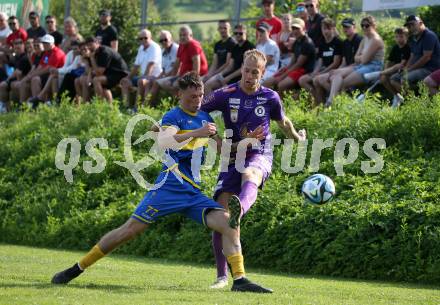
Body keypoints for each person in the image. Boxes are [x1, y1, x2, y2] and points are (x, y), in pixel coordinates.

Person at [51, 71, 273, 294]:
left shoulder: (205, 118)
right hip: (168, 187)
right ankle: (77, 268)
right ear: (179, 95)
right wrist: (197, 132)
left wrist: (246, 142)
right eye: (191, 97)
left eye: (200, 96)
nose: (197, 101)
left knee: (229, 223)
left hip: (192, 193)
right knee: (128, 231)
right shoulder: (173, 116)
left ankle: (240, 279)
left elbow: (222, 150)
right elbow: (166, 142)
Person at [201, 49, 306, 289]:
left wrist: (296, 138)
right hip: (232, 155)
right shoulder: (226, 94)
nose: (249, 76)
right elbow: (200, 111)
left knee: (251, 175)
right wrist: (216, 138)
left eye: (254, 72)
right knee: (220, 214)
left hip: (259, 153)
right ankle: (221, 277)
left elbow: (284, 122)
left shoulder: (270, 97)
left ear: (263, 72)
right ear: (242, 69)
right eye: (246, 70)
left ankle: (242, 209)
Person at [326, 16, 384, 107]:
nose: (364, 27)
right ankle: (330, 101)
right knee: (336, 74)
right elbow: (356, 58)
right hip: (362, 65)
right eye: (362, 25)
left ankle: (341, 106)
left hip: (373, 67)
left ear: (373, 26)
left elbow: (364, 60)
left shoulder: (376, 40)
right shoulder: (365, 39)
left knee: (343, 83)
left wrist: (361, 57)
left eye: (367, 25)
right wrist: (362, 57)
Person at [148, 25, 208, 105]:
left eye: (184, 35)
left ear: (191, 36)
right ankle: (145, 106)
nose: (182, 37)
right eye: (180, 35)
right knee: (157, 83)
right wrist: (171, 78)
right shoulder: (181, 45)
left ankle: (182, 107)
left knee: (176, 85)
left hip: (195, 77)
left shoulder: (193, 45)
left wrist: (185, 80)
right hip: (182, 76)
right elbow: (176, 65)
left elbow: (196, 68)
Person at [389, 15, 440, 107]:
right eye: (408, 26)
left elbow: (426, 57)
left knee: (404, 79)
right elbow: (412, 56)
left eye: (412, 24)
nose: (411, 28)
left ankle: (417, 105)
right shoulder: (414, 38)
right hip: (418, 68)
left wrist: (409, 69)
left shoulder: (429, 35)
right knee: (393, 79)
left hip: (430, 68)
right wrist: (406, 68)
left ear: (420, 23)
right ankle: (414, 101)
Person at [312, 17, 362, 104]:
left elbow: (359, 62)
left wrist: (337, 71)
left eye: (347, 27)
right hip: (346, 69)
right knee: (317, 79)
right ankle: (322, 106)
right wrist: (337, 70)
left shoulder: (359, 40)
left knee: (325, 78)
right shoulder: (345, 42)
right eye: (343, 27)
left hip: (356, 69)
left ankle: (338, 101)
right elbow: (343, 62)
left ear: (354, 27)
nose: (345, 29)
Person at [263, 18, 315, 94]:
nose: (294, 31)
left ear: (303, 28)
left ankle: (283, 104)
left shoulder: (307, 43)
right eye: (293, 28)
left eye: (297, 28)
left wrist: (282, 76)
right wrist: (285, 69)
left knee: (281, 85)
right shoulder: (296, 42)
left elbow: (298, 64)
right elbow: (292, 62)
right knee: (268, 82)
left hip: (304, 70)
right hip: (296, 69)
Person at [300, 18, 342, 105]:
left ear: (333, 29)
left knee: (316, 80)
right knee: (302, 80)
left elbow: (336, 63)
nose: (325, 31)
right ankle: (318, 103)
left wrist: (321, 72)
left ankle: (337, 99)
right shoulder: (322, 42)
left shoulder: (338, 42)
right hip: (323, 69)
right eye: (324, 29)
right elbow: (320, 60)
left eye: (328, 28)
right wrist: (315, 71)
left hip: (333, 70)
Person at [204, 24, 255, 94]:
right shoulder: (235, 47)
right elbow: (230, 66)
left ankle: (218, 104)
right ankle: (209, 104)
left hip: (242, 78)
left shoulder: (249, 47)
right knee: (207, 85)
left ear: (246, 33)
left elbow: (243, 69)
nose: (238, 35)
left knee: (221, 92)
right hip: (231, 77)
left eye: (240, 33)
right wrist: (219, 75)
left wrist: (227, 78)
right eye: (236, 33)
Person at [120, 29, 162, 109]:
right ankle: (126, 107)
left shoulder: (154, 47)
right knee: (125, 81)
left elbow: (150, 66)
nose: (143, 40)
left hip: (154, 77)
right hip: (144, 76)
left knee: (141, 81)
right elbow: (136, 66)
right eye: (141, 38)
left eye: (145, 38)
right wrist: (128, 78)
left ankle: (136, 108)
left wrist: (143, 78)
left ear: (150, 37)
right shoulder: (141, 48)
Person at [84, 36, 128, 103]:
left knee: (97, 80)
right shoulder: (95, 52)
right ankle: (109, 107)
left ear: (97, 43)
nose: (89, 47)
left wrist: (92, 58)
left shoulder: (104, 52)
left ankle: (100, 105)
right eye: (88, 45)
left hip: (120, 74)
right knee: (86, 80)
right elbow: (92, 69)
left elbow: (99, 73)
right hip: (109, 73)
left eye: (91, 45)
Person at [140, 30, 179, 105]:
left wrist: (160, 78)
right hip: (166, 76)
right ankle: (148, 105)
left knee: (156, 82)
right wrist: (158, 77)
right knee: (148, 82)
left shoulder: (176, 49)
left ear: (171, 39)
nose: (163, 42)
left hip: (175, 75)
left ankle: (144, 105)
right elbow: (163, 70)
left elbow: (176, 68)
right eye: (161, 40)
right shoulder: (163, 51)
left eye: (165, 39)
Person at [27, 34, 66, 105]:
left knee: (40, 77)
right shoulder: (47, 52)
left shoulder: (57, 53)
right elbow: (41, 66)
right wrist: (31, 75)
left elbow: (48, 69)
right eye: (43, 43)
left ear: (52, 44)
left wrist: (32, 75)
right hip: (50, 74)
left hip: (59, 75)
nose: (44, 45)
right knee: (35, 79)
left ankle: (40, 98)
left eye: (46, 43)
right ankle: (36, 103)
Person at [379, 28, 411, 102]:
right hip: (394, 70)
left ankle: (409, 99)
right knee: (383, 78)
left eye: (401, 36)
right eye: (396, 37)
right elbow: (389, 61)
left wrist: (384, 72)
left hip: (404, 70)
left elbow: (402, 64)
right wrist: (385, 71)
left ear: (406, 37)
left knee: (393, 79)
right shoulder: (395, 47)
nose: (398, 39)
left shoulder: (408, 48)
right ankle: (397, 97)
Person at [0, 38, 31, 111]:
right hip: (17, 79)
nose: (17, 46)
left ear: (23, 46)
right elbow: (8, 61)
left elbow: (18, 73)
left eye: (19, 44)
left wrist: (8, 80)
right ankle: (4, 106)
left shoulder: (25, 57)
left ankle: (18, 106)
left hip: (24, 80)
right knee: (3, 85)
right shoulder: (16, 57)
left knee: (6, 84)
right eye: (15, 44)